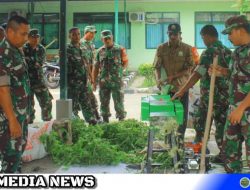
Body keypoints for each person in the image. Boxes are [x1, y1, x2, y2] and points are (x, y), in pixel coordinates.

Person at [172, 25, 232, 162]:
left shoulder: (210, 52)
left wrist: (181, 91)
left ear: (207, 35)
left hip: (211, 97)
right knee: (222, 126)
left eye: (202, 37)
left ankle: (200, 153)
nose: (203, 40)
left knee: (201, 124)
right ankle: (225, 155)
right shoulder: (228, 52)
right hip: (224, 97)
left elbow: (198, 74)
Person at [214, 15, 250, 173]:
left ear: (240, 30)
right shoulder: (238, 51)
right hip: (235, 110)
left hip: (244, 110)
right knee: (230, 154)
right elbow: (239, 75)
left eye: (230, 33)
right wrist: (223, 72)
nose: (228, 38)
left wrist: (241, 108)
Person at [153, 23, 194, 142]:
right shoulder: (161, 48)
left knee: (181, 117)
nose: (173, 37)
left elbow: (189, 69)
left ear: (180, 34)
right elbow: (156, 66)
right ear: (168, 34)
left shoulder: (187, 48)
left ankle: (179, 142)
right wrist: (158, 80)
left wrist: (173, 77)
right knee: (167, 116)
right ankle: (168, 142)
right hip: (166, 89)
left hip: (181, 88)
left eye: (175, 34)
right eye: (170, 34)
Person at [0, 15, 30, 173]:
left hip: (20, 114)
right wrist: (12, 120)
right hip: (8, 118)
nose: (26, 38)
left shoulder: (15, 50)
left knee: (18, 152)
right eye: (23, 34)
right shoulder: (3, 54)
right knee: (10, 157)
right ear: (10, 32)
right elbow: (2, 89)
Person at [92, 30, 128, 123]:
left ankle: (121, 121)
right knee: (103, 103)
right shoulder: (99, 51)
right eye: (105, 39)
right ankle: (105, 121)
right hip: (103, 82)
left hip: (116, 82)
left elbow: (125, 62)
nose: (107, 40)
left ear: (112, 38)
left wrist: (120, 72)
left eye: (109, 38)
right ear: (102, 39)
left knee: (119, 102)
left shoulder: (120, 49)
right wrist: (94, 82)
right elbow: (96, 67)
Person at [67, 27, 97, 125]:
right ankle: (74, 125)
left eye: (78, 34)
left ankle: (91, 121)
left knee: (86, 102)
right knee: (73, 105)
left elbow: (86, 63)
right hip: (73, 83)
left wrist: (91, 77)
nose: (77, 36)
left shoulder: (82, 47)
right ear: (69, 36)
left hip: (83, 81)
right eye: (74, 34)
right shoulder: (67, 49)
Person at [23, 29, 53, 123]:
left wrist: (30, 62)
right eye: (33, 37)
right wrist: (32, 63)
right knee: (28, 104)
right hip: (27, 81)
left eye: (37, 37)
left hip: (39, 80)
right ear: (28, 38)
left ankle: (47, 121)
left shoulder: (41, 49)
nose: (35, 39)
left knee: (46, 101)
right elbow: (24, 64)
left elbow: (39, 63)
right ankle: (29, 122)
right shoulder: (23, 48)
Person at [80, 26, 101, 122]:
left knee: (90, 96)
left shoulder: (91, 45)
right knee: (87, 97)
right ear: (86, 32)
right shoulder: (81, 44)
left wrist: (94, 76)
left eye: (94, 33)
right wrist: (91, 77)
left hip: (90, 74)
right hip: (83, 75)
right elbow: (86, 63)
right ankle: (92, 118)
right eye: (91, 33)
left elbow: (93, 61)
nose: (93, 35)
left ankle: (95, 117)